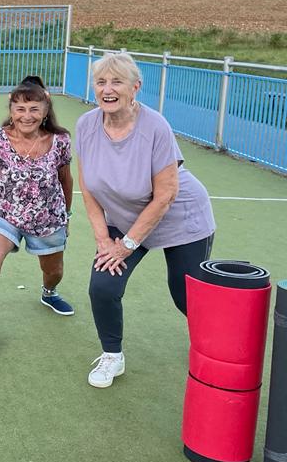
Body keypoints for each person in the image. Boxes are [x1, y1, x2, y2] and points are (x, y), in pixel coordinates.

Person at [76, 52, 216, 388]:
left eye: (117, 82)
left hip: (180, 218)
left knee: (185, 294)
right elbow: (89, 188)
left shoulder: (156, 127)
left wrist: (125, 245)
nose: (107, 89)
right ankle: (113, 356)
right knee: (103, 286)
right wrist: (102, 240)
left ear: (135, 87)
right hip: (124, 216)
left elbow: (165, 195)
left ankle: (214, 350)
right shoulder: (86, 125)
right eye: (101, 82)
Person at [0, 75, 74, 358]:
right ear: (11, 109)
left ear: (44, 111)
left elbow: (66, 180)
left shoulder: (60, 140)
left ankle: (49, 293)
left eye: (33, 109)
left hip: (48, 216)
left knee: (54, 271)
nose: (26, 116)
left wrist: (67, 215)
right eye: (20, 109)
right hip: (5, 215)